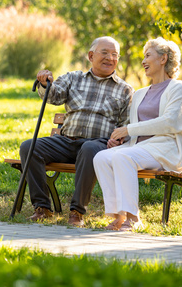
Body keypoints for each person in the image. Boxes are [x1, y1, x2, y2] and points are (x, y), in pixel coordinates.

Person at [19, 36, 134, 226]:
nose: (110, 58)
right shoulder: (73, 78)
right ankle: (42, 208)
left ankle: (77, 212)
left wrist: (118, 140)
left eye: (115, 55)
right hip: (66, 141)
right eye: (104, 53)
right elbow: (54, 96)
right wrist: (46, 83)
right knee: (29, 147)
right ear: (91, 55)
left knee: (89, 149)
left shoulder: (125, 90)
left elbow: (126, 124)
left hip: (98, 144)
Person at [93, 37, 182, 231]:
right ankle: (118, 216)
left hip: (165, 149)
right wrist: (123, 138)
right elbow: (138, 128)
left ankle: (133, 218)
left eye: (148, 56)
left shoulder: (178, 88)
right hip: (139, 147)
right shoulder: (140, 93)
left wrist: (128, 130)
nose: (143, 61)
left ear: (163, 59)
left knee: (123, 157)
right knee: (101, 157)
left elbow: (170, 122)